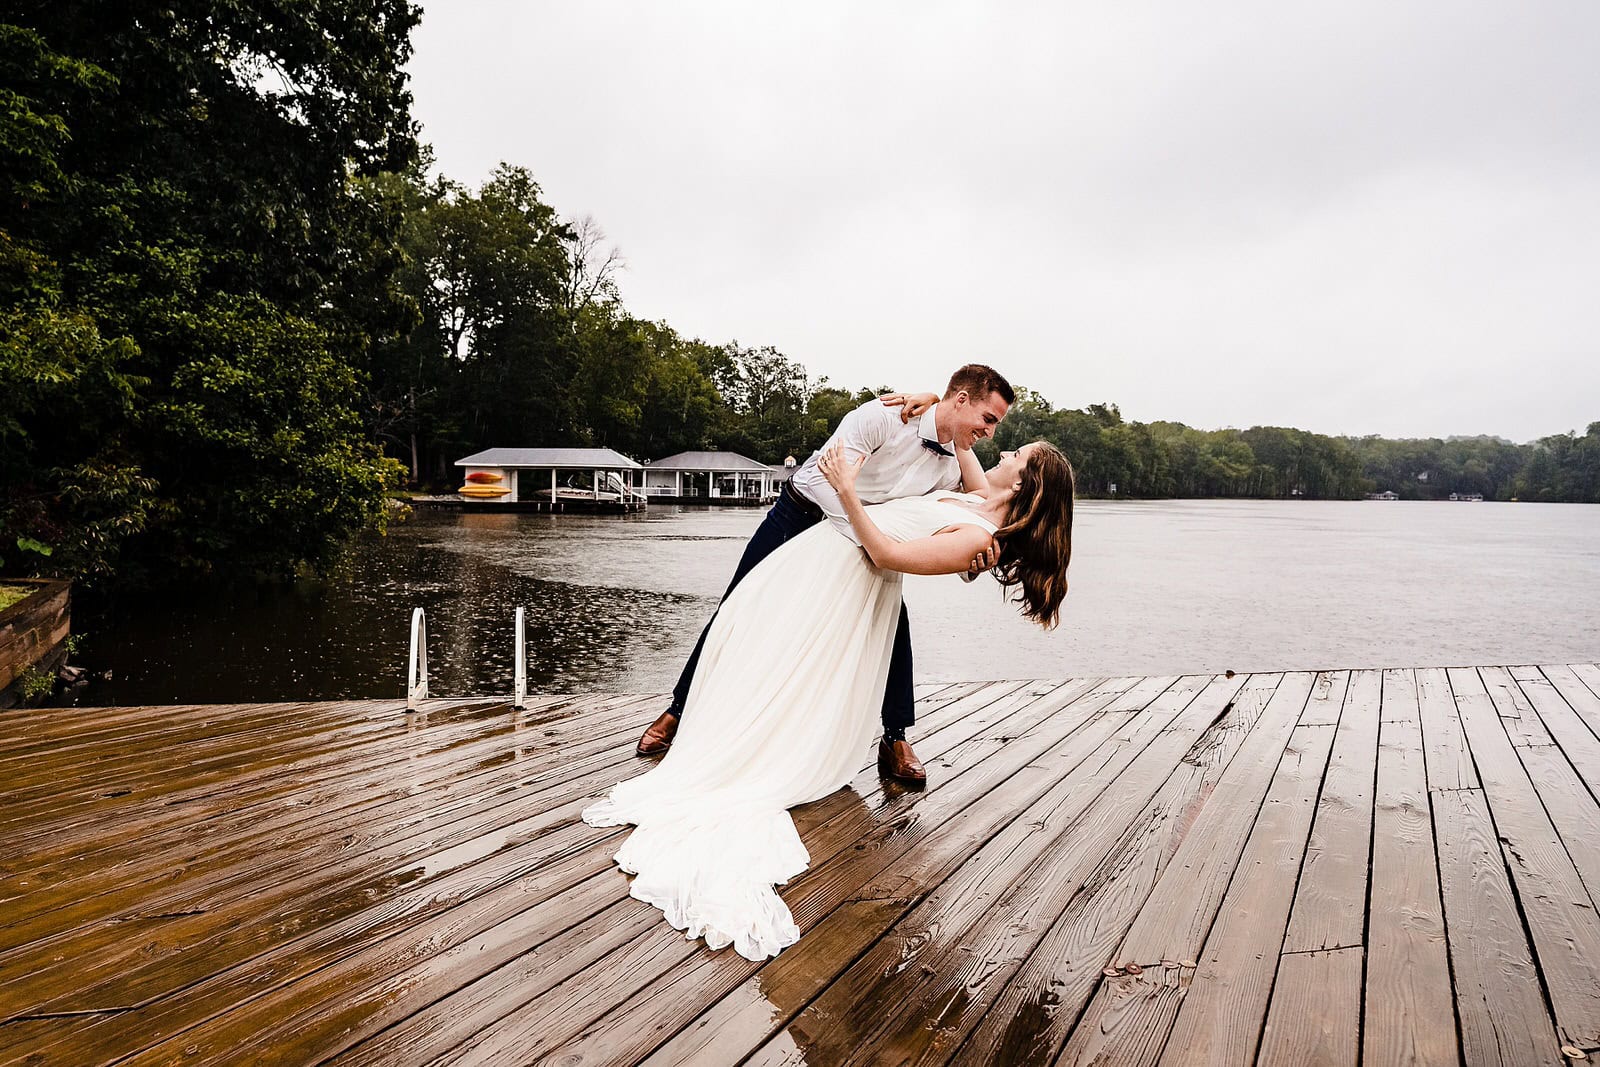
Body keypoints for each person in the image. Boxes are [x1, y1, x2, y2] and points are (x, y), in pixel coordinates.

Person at [583, 440, 1077, 960]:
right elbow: (964, 443)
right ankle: (711, 721)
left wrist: (845, 490)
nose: (1003, 452)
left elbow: (886, 553)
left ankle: (752, 745)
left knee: (783, 663)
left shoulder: (979, 537)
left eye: (1017, 454)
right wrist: (934, 408)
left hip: (844, 575)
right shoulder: (978, 499)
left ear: (1022, 483)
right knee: (745, 639)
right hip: (821, 557)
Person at [636, 364, 1016, 782]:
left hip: (867, 544)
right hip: (803, 516)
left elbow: (957, 522)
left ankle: (895, 737)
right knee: (736, 607)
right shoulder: (882, 417)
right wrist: (871, 541)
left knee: (893, 625)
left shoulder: (954, 467)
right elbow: (827, 482)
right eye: (988, 420)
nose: (991, 433)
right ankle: (678, 709)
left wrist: (971, 566)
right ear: (961, 400)